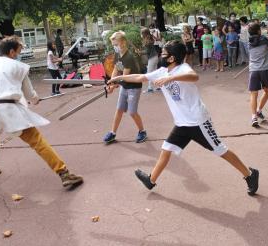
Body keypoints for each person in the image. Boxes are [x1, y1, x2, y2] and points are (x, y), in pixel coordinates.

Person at [108, 40, 259, 196]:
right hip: (182, 124)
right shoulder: (161, 71)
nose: (161, 56)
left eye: (164, 54)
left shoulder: (183, 68)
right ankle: (151, 180)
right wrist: (116, 79)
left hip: (198, 121)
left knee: (220, 150)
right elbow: (140, 77)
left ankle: (249, 174)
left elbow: (194, 76)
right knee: (166, 148)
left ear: (172, 58)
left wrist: (170, 79)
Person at [0, 36, 83, 187]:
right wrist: (35, 99)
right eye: (18, 52)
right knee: (36, 140)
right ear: (12, 52)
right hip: (8, 110)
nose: (18, 55)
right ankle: (63, 173)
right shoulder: (18, 67)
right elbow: (30, 94)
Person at [103, 31, 147, 144]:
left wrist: (114, 85)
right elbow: (116, 70)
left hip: (133, 86)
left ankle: (142, 131)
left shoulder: (129, 57)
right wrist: (110, 83)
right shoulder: (117, 54)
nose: (115, 47)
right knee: (119, 109)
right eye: (113, 45)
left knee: (132, 112)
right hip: (124, 86)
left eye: (116, 44)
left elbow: (125, 77)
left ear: (123, 43)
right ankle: (112, 133)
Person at [247, 24, 268, 127]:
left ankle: (254, 116)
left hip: (254, 70)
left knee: (253, 94)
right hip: (265, 69)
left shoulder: (248, 43)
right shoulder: (265, 40)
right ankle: (259, 110)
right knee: (267, 91)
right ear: (258, 31)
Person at [142, 28, 159, 93]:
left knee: (149, 73)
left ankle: (150, 88)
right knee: (154, 72)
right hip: (155, 57)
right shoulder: (149, 39)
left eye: (142, 33)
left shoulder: (148, 40)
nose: (141, 34)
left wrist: (140, 52)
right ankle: (158, 86)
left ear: (145, 34)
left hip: (152, 58)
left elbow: (147, 51)